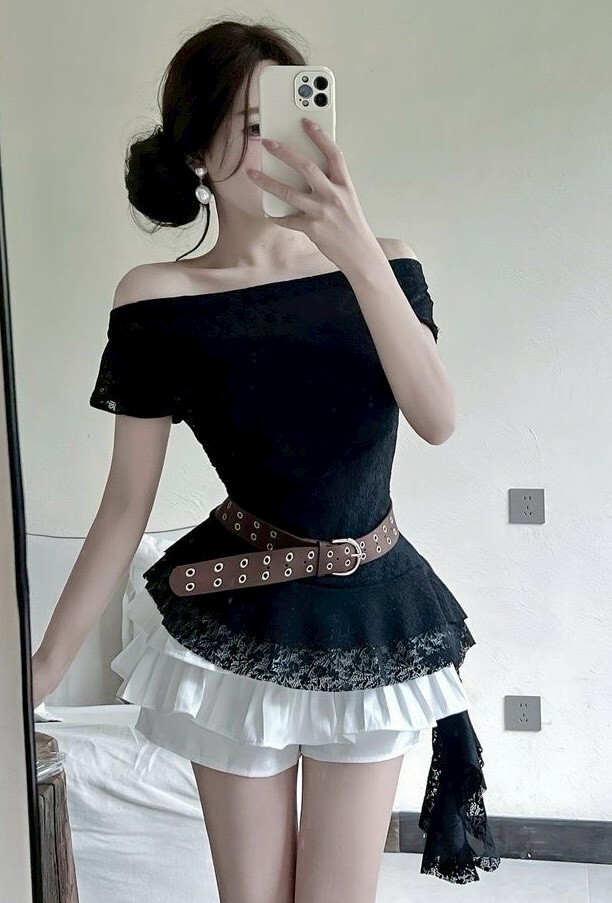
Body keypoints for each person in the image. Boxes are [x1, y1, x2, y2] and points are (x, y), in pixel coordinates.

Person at [32, 17, 500, 902]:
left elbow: (437, 418)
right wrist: (44, 668)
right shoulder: (159, 299)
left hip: (373, 608)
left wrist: (355, 248)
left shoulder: (385, 263)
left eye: (284, 117)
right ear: (196, 151)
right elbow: (125, 502)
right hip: (236, 618)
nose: (273, 144)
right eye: (247, 125)